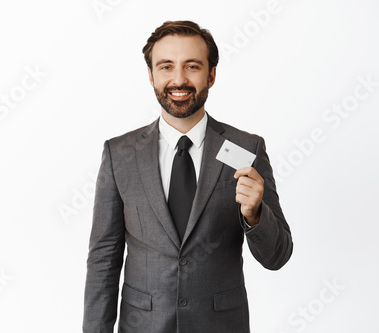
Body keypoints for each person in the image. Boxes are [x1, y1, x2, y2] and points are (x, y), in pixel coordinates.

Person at [83, 20, 293, 333]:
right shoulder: (119, 154)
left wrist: (255, 214)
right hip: (143, 325)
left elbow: (277, 256)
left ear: (211, 74)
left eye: (192, 66)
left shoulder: (246, 148)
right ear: (151, 75)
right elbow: (104, 259)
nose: (178, 79)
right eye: (166, 66)